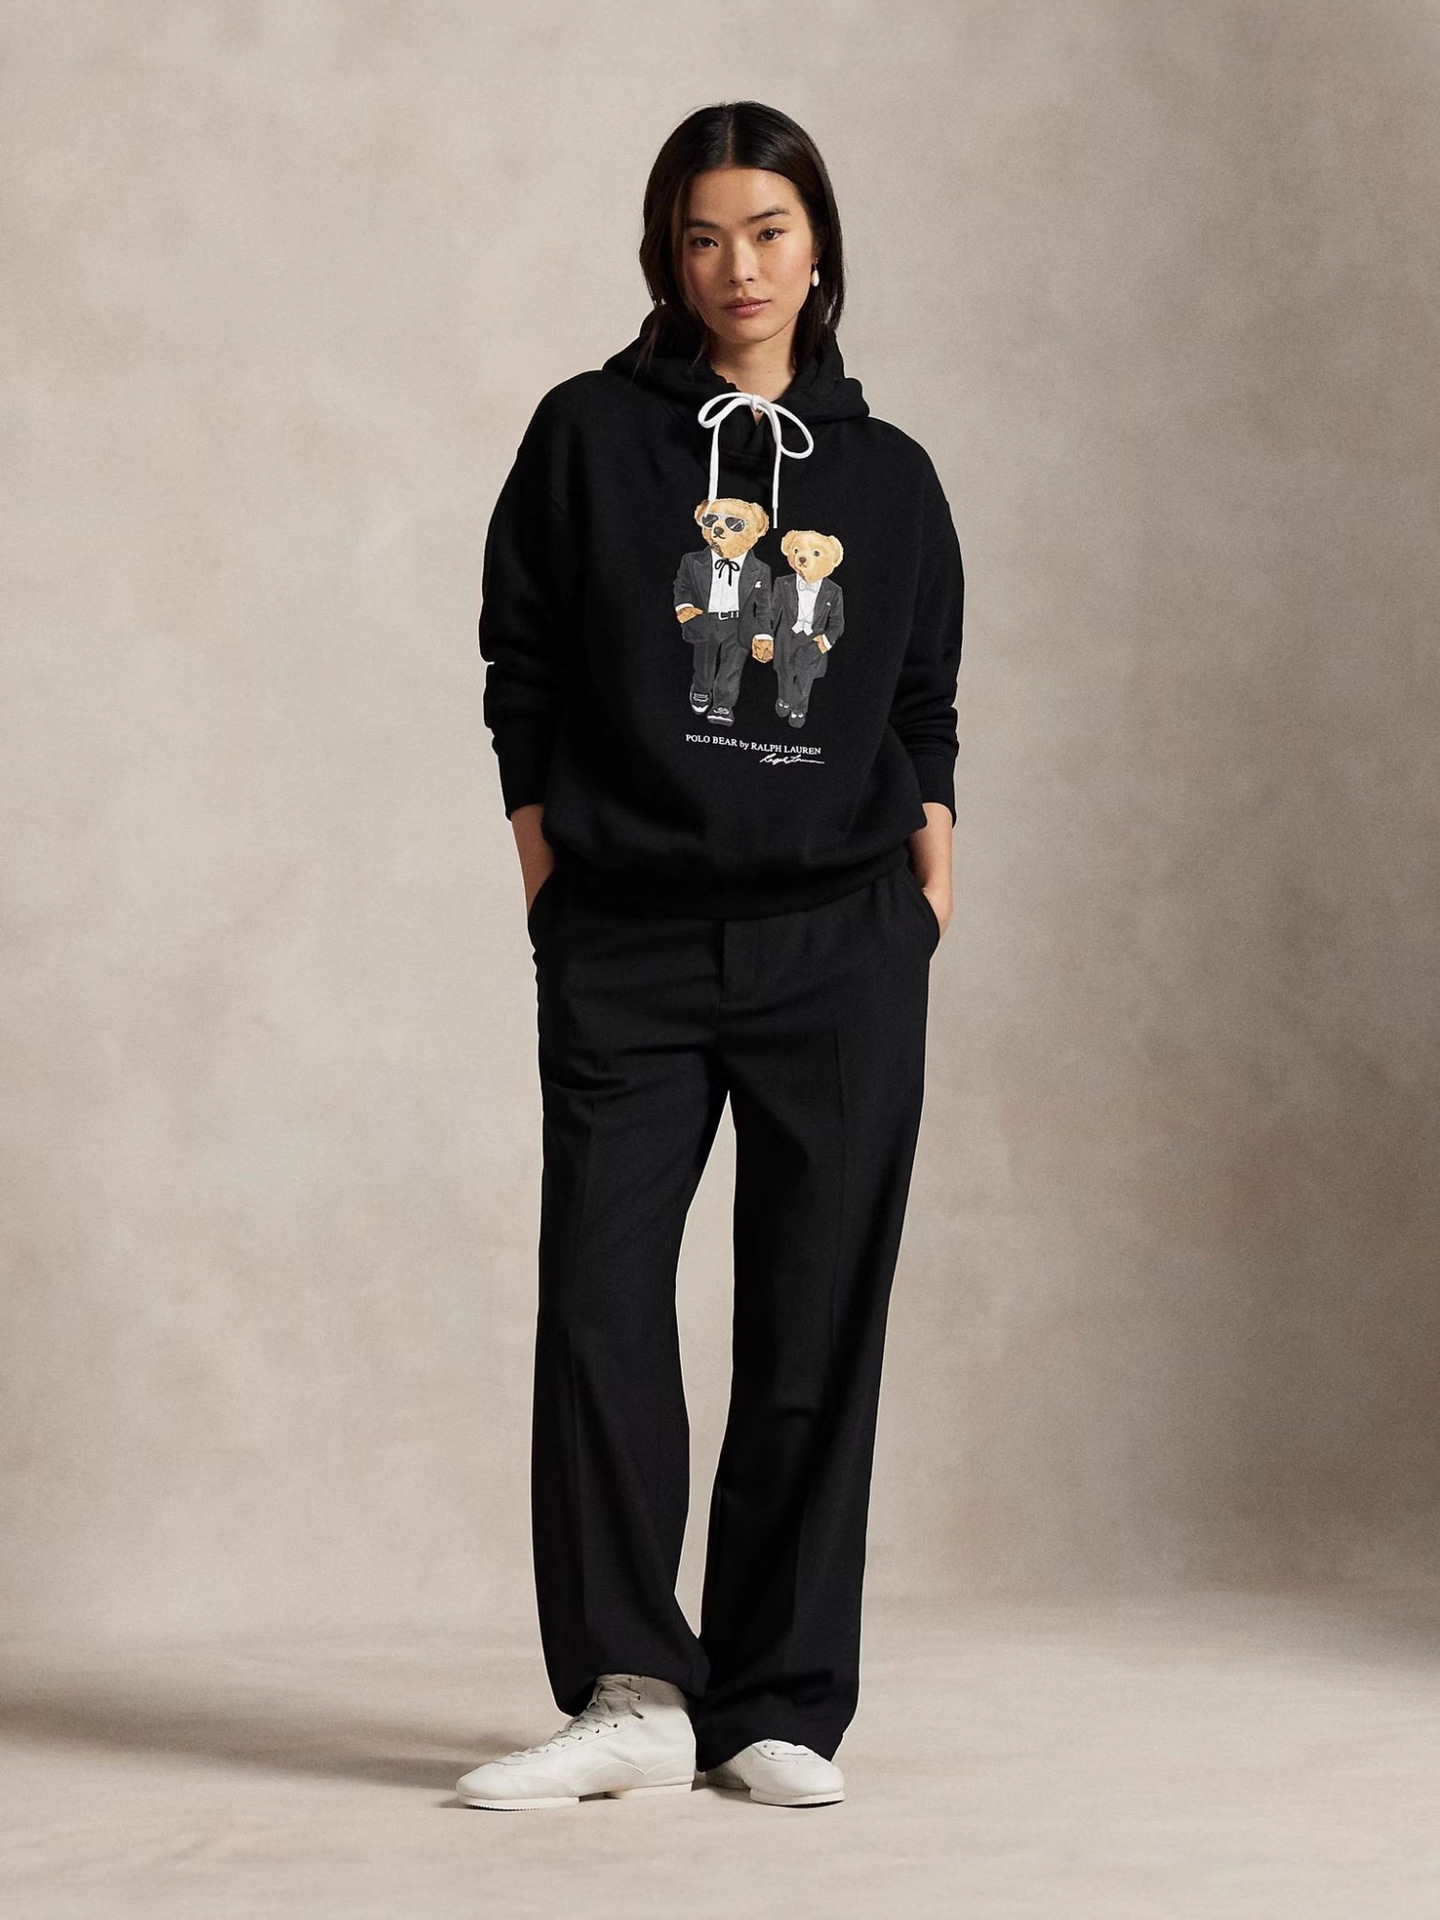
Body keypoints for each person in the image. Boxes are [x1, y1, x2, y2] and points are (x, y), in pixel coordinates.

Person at [457, 99, 963, 1812]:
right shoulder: (590, 435)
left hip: (843, 942)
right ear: (665, 257)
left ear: (819, 249)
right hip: (630, 940)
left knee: (814, 1322)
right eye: (701, 236)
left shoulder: (891, 479)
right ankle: (630, 1693)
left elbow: (920, 691)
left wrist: (931, 854)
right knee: (603, 1310)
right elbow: (522, 655)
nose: (736, 267)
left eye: (767, 229)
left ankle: (777, 1705)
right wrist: (549, 860)